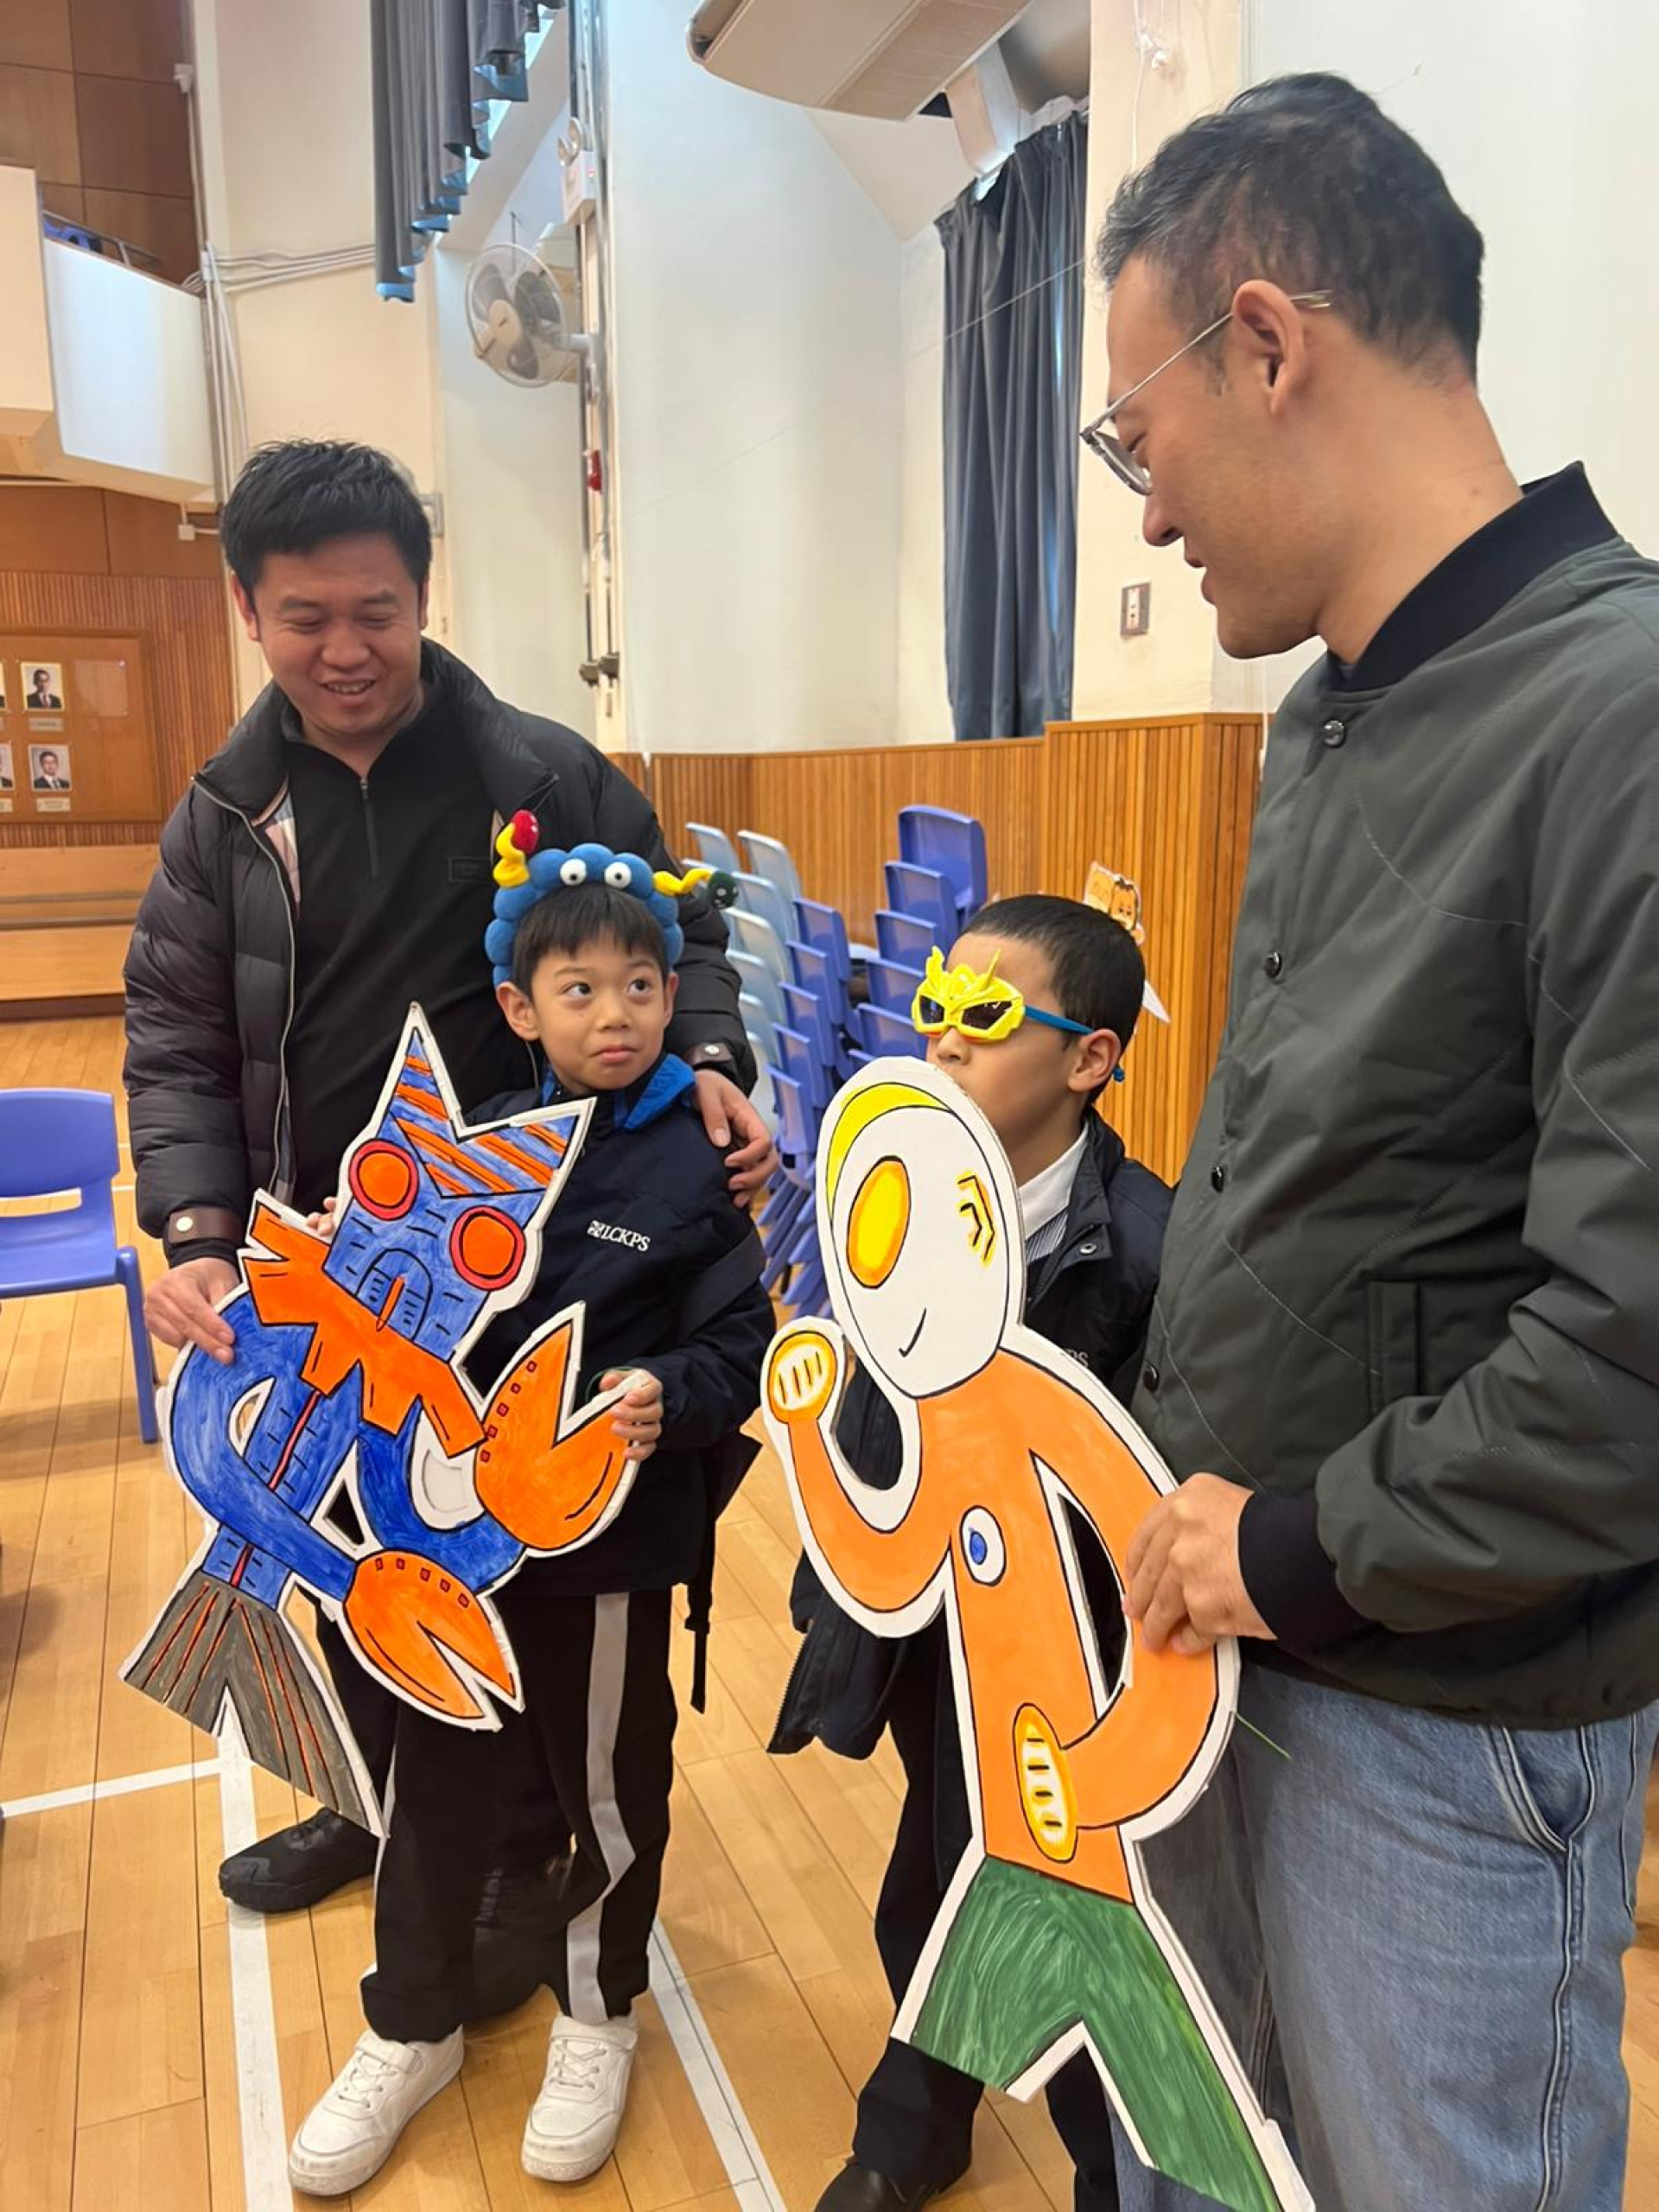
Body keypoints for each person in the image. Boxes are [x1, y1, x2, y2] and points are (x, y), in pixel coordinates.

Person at [1083, 73, 1659, 2212]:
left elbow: (1632, 1359)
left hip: (1449, 1724)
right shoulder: (1331, 706)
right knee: (1198, 2164)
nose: (1147, 512)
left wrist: (1291, 1544)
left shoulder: (1621, 712)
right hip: (1232, 1642)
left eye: (1135, 438)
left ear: (1264, 342)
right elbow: (1321, 1187)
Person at [124, 440, 775, 1968]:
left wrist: (709, 1056)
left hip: (512, 1260)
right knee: (336, 1546)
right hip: (316, 1254)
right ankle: (378, 1808)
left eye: (376, 611)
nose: (344, 648)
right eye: (304, 618)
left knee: (492, 1556)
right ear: (248, 610)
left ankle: (521, 1851)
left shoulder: (539, 774)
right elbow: (174, 1033)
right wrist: (201, 1235)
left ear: (424, 597)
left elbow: (676, 931)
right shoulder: (223, 816)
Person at [286, 842, 772, 2196]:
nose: (615, 1015)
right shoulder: (470, 1144)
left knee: (609, 1790)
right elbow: (400, 1303)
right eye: (579, 989)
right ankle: (412, 2022)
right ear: (519, 1007)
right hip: (446, 1546)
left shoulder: (705, 1164)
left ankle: (597, 2015)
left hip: (609, 1551)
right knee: (433, 1789)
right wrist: (346, 1253)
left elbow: (740, 1346)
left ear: (672, 994)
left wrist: (667, 1393)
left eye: (640, 986)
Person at [772, 897, 1171, 2212]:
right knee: (933, 1882)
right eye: (935, 1004)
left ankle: (1084, 2170)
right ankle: (924, 2125)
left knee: (1043, 1920)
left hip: (1059, 1670)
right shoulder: (893, 1187)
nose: (943, 1037)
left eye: (988, 1017)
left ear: (1092, 1058)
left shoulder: (1151, 1247)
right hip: (917, 1628)